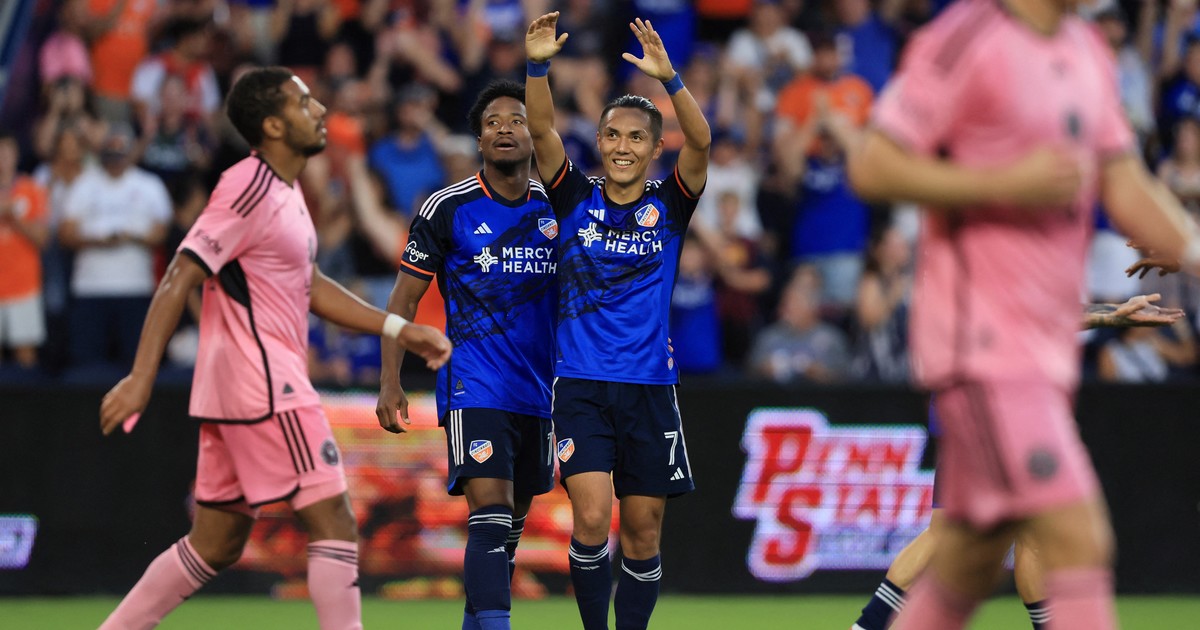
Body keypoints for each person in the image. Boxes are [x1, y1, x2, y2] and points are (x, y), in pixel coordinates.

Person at [847, 0, 1200, 625]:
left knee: (970, 555)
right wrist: (1004, 183)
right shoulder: (965, 37)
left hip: (1040, 356)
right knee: (1077, 537)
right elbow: (872, 165)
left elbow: (1126, 184)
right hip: (978, 345)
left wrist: (1185, 258)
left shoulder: (1087, 51)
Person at [96, 67, 452, 630]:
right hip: (264, 383)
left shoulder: (285, 192)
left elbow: (308, 285)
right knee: (335, 521)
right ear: (273, 125)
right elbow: (181, 274)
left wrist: (397, 328)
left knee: (215, 543)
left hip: (235, 387)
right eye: (304, 103)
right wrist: (142, 377)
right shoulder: (249, 185)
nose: (319, 110)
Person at [524, 13, 711, 630]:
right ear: (599, 143)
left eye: (636, 137)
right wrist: (537, 67)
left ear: (656, 149)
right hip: (581, 384)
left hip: (650, 389)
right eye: (612, 135)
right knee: (590, 518)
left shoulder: (671, 205)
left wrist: (671, 79)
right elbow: (541, 128)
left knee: (643, 531)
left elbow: (702, 143)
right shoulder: (575, 198)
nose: (623, 146)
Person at [851, 294, 1187, 630]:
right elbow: (1023, 323)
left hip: (991, 399)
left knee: (1025, 532)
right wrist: (1111, 315)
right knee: (976, 533)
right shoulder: (994, 275)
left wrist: (1112, 314)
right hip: (993, 402)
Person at [374, 79, 559, 630]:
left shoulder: (559, 206)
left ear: (535, 134)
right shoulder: (448, 207)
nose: (505, 129)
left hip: (539, 389)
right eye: (492, 122)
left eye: (517, 120)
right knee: (491, 512)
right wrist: (390, 380)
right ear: (478, 140)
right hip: (474, 383)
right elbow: (403, 300)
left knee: (509, 530)